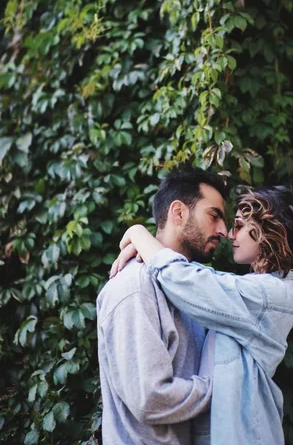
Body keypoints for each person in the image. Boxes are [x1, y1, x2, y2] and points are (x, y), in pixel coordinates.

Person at [111, 185, 293, 445]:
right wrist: (149, 251)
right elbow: (202, 280)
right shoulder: (263, 289)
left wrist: (138, 234)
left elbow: (186, 281)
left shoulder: (266, 296)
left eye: (240, 225)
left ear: (270, 231)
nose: (230, 234)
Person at [97, 167, 228, 445]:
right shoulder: (135, 287)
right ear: (178, 213)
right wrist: (222, 387)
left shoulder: (189, 288)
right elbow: (150, 398)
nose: (224, 231)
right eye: (214, 216)